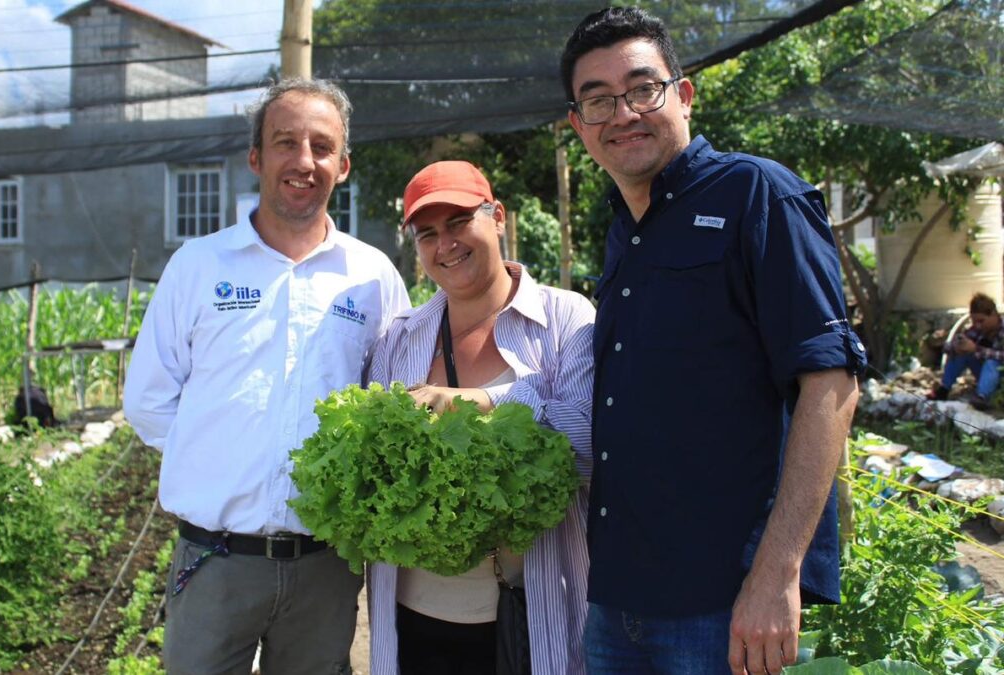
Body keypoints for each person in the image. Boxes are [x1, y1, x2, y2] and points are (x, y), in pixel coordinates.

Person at [560, 8, 864, 674]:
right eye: (599, 100)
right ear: (580, 125)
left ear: (684, 94)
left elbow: (831, 383)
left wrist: (776, 572)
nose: (624, 113)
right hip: (616, 601)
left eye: (643, 89)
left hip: (723, 606)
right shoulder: (624, 233)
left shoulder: (758, 194)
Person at [123, 78, 409, 675]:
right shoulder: (200, 265)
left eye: (322, 147)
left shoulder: (372, 276)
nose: (304, 161)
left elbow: (393, 403)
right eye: (286, 142)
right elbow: (150, 400)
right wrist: (221, 461)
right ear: (256, 157)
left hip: (324, 567)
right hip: (215, 560)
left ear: (344, 165)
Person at [365, 161, 595, 675]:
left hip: (531, 612)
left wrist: (487, 401)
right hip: (419, 617)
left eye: (459, 221)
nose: (445, 244)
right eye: (428, 234)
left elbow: (588, 447)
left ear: (498, 218)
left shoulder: (567, 320)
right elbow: (373, 473)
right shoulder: (399, 339)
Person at [929, 292, 1003, 411]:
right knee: (962, 353)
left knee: (992, 362)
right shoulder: (976, 330)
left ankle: (982, 397)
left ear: (993, 315)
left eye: (981, 321)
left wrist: (976, 349)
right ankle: (943, 389)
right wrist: (956, 347)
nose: (978, 326)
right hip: (984, 376)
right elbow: (947, 347)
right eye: (975, 322)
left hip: (1000, 378)